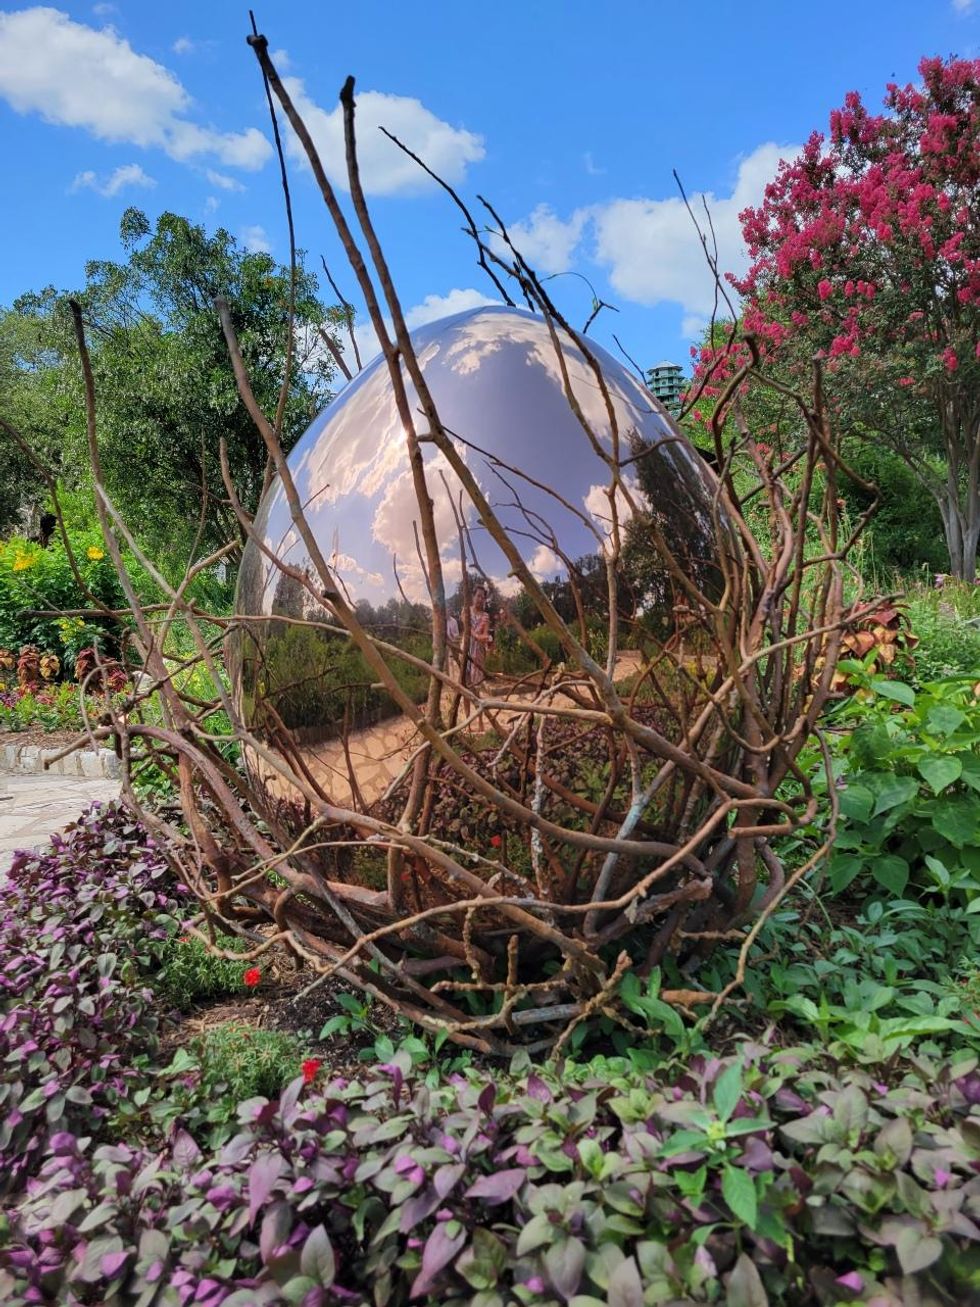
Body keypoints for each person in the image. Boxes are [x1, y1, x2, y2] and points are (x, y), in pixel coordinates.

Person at [467, 585, 492, 687]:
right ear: (473, 596)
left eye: (483, 597)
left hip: (478, 653)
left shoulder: (485, 616)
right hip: (466, 650)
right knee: (465, 684)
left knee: (476, 685)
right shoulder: (466, 611)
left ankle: (477, 703)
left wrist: (487, 639)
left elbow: (485, 634)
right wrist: (477, 636)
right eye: (478, 596)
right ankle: (467, 703)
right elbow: (467, 629)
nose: (480, 599)